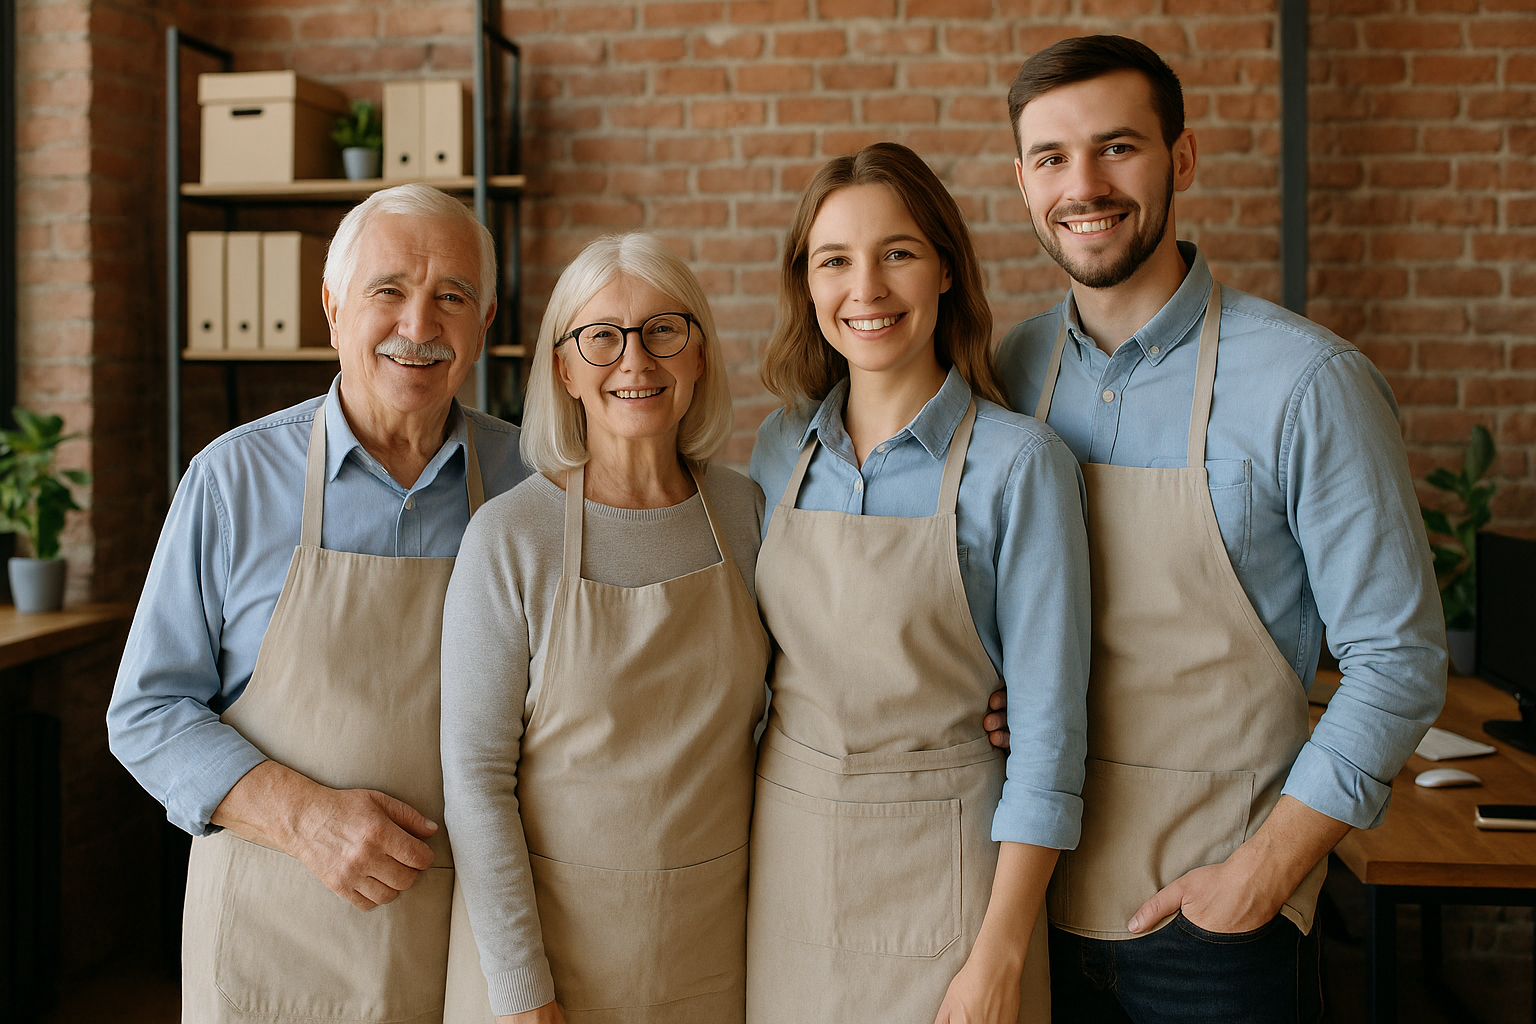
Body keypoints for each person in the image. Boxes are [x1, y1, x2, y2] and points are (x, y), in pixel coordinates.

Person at [988, 35, 1447, 1024]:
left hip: (1217, 932)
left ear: (1181, 160)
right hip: (1020, 906)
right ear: (1022, 182)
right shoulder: (1005, 374)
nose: (1086, 185)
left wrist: (1258, 878)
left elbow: (1398, 659)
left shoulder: (1307, 384)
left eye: (1119, 148)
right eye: (1054, 158)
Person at [106, 183, 527, 1023]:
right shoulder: (232, 481)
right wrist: (303, 818)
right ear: (331, 305)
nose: (418, 326)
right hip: (274, 938)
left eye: (452, 296)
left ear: (484, 323)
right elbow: (148, 711)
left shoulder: (533, 482)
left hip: (468, 947)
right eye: (388, 291)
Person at [746, 142, 1091, 1023]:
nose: (866, 289)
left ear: (945, 268)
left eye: (897, 252)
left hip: (954, 888)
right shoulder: (779, 452)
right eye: (835, 260)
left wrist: (1000, 956)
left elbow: (1050, 741)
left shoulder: (1020, 466)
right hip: (787, 873)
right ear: (807, 285)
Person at [439, 233, 769, 1024]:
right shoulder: (511, 535)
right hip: (548, 959)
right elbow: (477, 779)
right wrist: (523, 994)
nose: (636, 361)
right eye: (602, 337)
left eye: (664, 329)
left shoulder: (745, 511)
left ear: (698, 354)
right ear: (564, 368)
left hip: (714, 947)